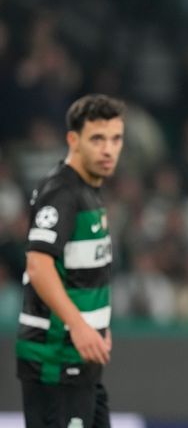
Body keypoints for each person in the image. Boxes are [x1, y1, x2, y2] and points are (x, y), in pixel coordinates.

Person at [16, 94, 125, 428]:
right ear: (73, 140)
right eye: (97, 139)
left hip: (81, 363)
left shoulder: (89, 190)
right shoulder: (61, 193)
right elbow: (39, 265)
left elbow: (78, 275)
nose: (108, 149)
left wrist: (97, 328)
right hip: (55, 363)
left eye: (115, 139)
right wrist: (79, 326)